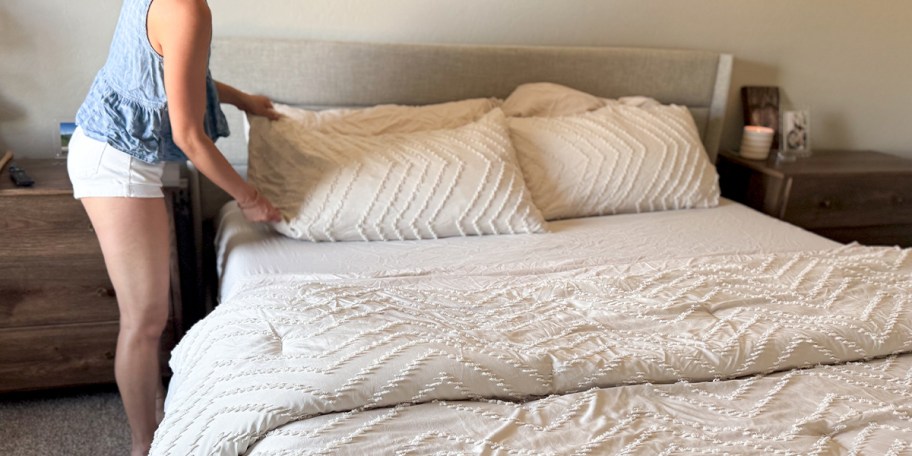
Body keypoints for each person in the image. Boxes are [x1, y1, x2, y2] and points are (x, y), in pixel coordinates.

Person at [67, 0, 281, 454]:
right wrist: (251, 199)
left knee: (147, 318)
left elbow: (174, 78)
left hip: (113, 150)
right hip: (117, 162)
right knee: (144, 322)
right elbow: (188, 135)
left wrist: (242, 99)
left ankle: (154, 415)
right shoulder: (187, 9)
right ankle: (144, 444)